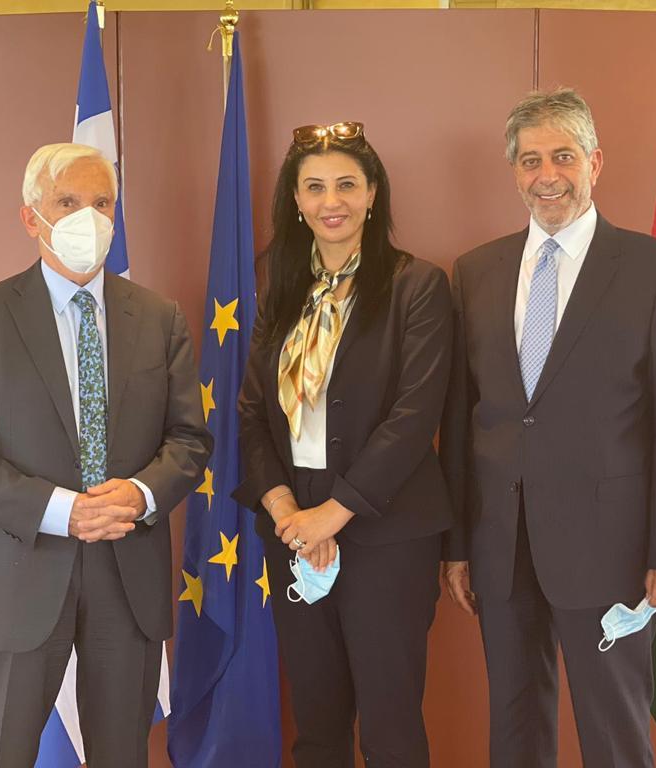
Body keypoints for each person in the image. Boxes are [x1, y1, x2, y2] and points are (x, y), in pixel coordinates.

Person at [440, 88, 656, 767]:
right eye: (530, 160)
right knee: (515, 726)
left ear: (595, 162)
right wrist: (458, 544)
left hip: (611, 549)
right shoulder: (476, 272)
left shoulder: (653, 270)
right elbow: (463, 418)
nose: (547, 175)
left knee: (614, 731)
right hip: (502, 546)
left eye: (563, 156)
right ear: (514, 171)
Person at [0, 143, 211, 768]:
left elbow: (190, 440)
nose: (89, 217)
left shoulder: (159, 318)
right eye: (67, 202)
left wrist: (139, 494)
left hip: (128, 573)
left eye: (102, 203)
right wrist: (65, 510)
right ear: (31, 218)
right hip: (17, 572)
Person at [233, 122, 453, 768]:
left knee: (389, 728)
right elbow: (252, 416)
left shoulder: (418, 286)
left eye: (347, 185)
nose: (332, 201)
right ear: (296, 200)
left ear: (373, 193)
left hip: (387, 534)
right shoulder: (280, 289)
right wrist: (289, 515)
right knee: (318, 725)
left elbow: (413, 418)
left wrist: (333, 513)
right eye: (315, 187)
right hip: (294, 531)